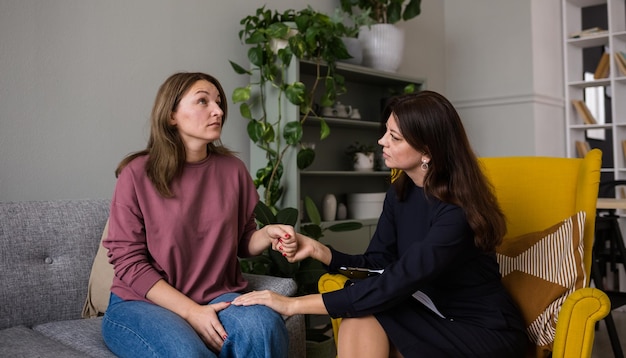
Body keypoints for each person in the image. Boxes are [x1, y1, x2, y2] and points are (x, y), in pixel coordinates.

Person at [233, 91, 528, 357]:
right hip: (431, 315)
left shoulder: (455, 213)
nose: (381, 142)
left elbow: (394, 282)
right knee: (362, 312)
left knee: (367, 307)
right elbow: (379, 261)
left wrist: (291, 305)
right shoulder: (400, 194)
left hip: (482, 331)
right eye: (386, 131)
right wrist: (320, 251)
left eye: (395, 137)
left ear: (428, 151)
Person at [101, 72, 297, 358]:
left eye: (218, 102)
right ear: (171, 115)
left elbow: (243, 241)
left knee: (264, 327)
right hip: (142, 304)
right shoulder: (136, 174)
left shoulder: (233, 171)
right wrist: (192, 312)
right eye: (203, 101)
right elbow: (128, 262)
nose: (218, 110)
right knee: (187, 353)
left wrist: (266, 235)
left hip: (219, 296)